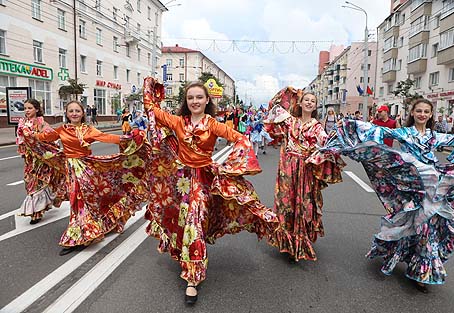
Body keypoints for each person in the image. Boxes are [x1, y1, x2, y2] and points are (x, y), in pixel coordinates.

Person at [142, 77, 278, 305]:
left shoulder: (213, 124)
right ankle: (187, 256)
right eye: (191, 97)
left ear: (207, 100)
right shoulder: (177, 122)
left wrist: (230, 166)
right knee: (182, 222)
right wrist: (152, 86)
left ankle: (192, 280)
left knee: (195, 223)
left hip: (203, 180)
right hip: (180, 181)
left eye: (199, 97)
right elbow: (152, 109)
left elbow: (241, 139)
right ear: (186, 101)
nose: (195, 101)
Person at [328, 98, 454, 293]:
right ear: (412, 113)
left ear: (430, 115)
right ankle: (410, 260)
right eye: (418, 111)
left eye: (426, 112)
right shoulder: (404, 132)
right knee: (411, 223)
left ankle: (422, 272)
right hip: (410, 185)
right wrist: (351, 125)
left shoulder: (434, 136)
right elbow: (378, 131)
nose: (422, 114)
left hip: (432, 185)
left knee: (427, 226)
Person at [29, 101, 150, 256]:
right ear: (66, 113)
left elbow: (106, 137)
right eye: (71, 111)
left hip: (87, 169)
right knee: (76, 202)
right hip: (71, 170)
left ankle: (85, 232)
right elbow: (44, 137)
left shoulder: (88, 130)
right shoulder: (61, 130)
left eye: (77, 111)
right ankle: (80, 234)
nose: (74, 113)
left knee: (88, 200)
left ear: (82, 113)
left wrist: (127, 138)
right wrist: (31, 134)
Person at [265, 87, 345, 263]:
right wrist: (287, 91)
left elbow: (327, 144)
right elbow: (273, 107)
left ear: (315, 106)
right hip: (287, 169)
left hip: (306, 170)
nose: (309, 103)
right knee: (286, 202)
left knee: (303, 204)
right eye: (306, 100)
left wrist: (342, 131)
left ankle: (300, 241)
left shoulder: (317, 127)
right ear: (300, 103)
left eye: (312, 101)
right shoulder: (289, 121)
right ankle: (286, 241)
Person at [16, 99, 66, 224]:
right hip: (29, 160)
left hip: (41, 160)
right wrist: (23, 151)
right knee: (29, 183)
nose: (27, 111)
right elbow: (20, 140)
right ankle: (43, 205)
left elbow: (51, 138)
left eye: (30, 108)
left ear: (36, 109)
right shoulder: (22, 122)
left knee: (37, 185)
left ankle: (36, 213)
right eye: (25, 108)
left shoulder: (41, 123)